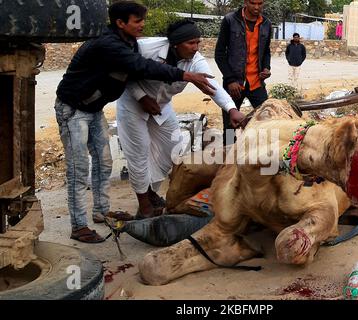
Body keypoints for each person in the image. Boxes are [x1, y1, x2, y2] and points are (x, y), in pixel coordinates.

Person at [55, 1, 216, 243]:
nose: (143, 25)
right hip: (73, 110)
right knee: (79, 170)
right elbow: (141, 66)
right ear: (120, 23)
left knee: (104, 163)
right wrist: (185, 75)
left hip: (93, 108)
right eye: (137, 21)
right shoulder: (109, 45)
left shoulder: (128, 42)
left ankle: (100, 211)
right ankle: (78, 226)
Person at [116, 19, 246, 219]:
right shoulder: (145, 47)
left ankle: (149, 191)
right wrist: (140, 97)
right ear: (176, 43)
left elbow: (212, 86)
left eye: (198, 43)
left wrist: (231, 110)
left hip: (162, 106)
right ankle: (144, 205)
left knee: (172, 149)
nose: (196, 48)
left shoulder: (196, 60)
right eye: (191, 43)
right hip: (133, 104)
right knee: (139, 153)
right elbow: (125, 71)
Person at [215, 0, 272, 145]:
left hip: (256, 83)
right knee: (229, 127)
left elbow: (266, 51)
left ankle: (261, 157)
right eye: (253, 3)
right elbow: (219, 54)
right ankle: (227, 161)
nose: (257, 7)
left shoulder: (266, 24)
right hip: (234, 84)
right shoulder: (230, 20)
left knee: (267, 120)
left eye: (260, 3)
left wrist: (266, 68)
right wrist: (230, 80)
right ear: (246, 2)